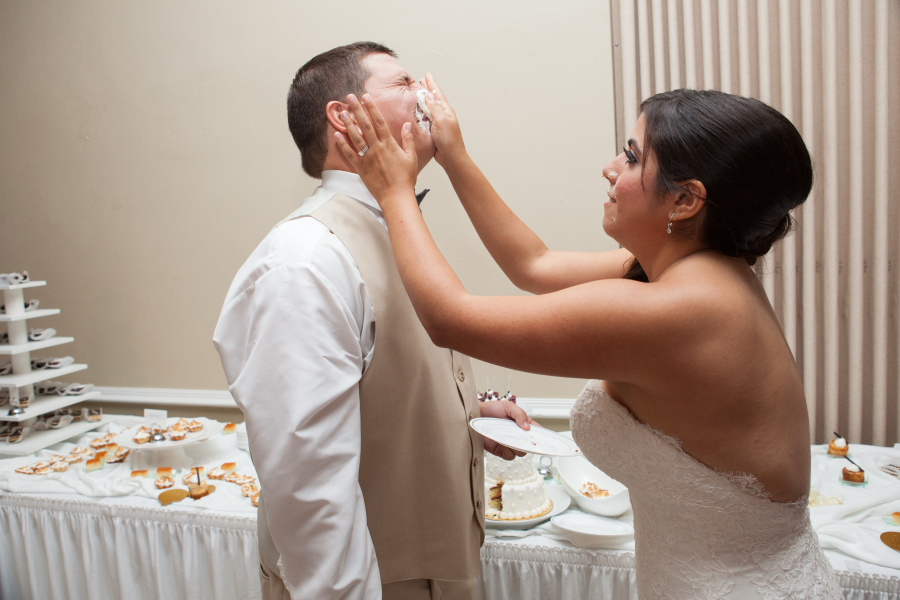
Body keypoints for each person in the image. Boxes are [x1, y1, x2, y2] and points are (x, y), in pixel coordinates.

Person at [333, 82, 844, 598]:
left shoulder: (677, 311)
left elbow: (450, 318)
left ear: (686, 199)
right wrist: (454, 156)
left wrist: (395, 192)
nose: (610, 168)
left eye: (631, 156)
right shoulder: (700, 269)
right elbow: (535, 265)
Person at [213, 43, 534, 600]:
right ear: (344, 116)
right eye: (404, 81)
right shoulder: (304, 259)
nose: (428, 93)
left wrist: (464, 415)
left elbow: (373, 387)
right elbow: (311, 489)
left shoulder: (394, 227)